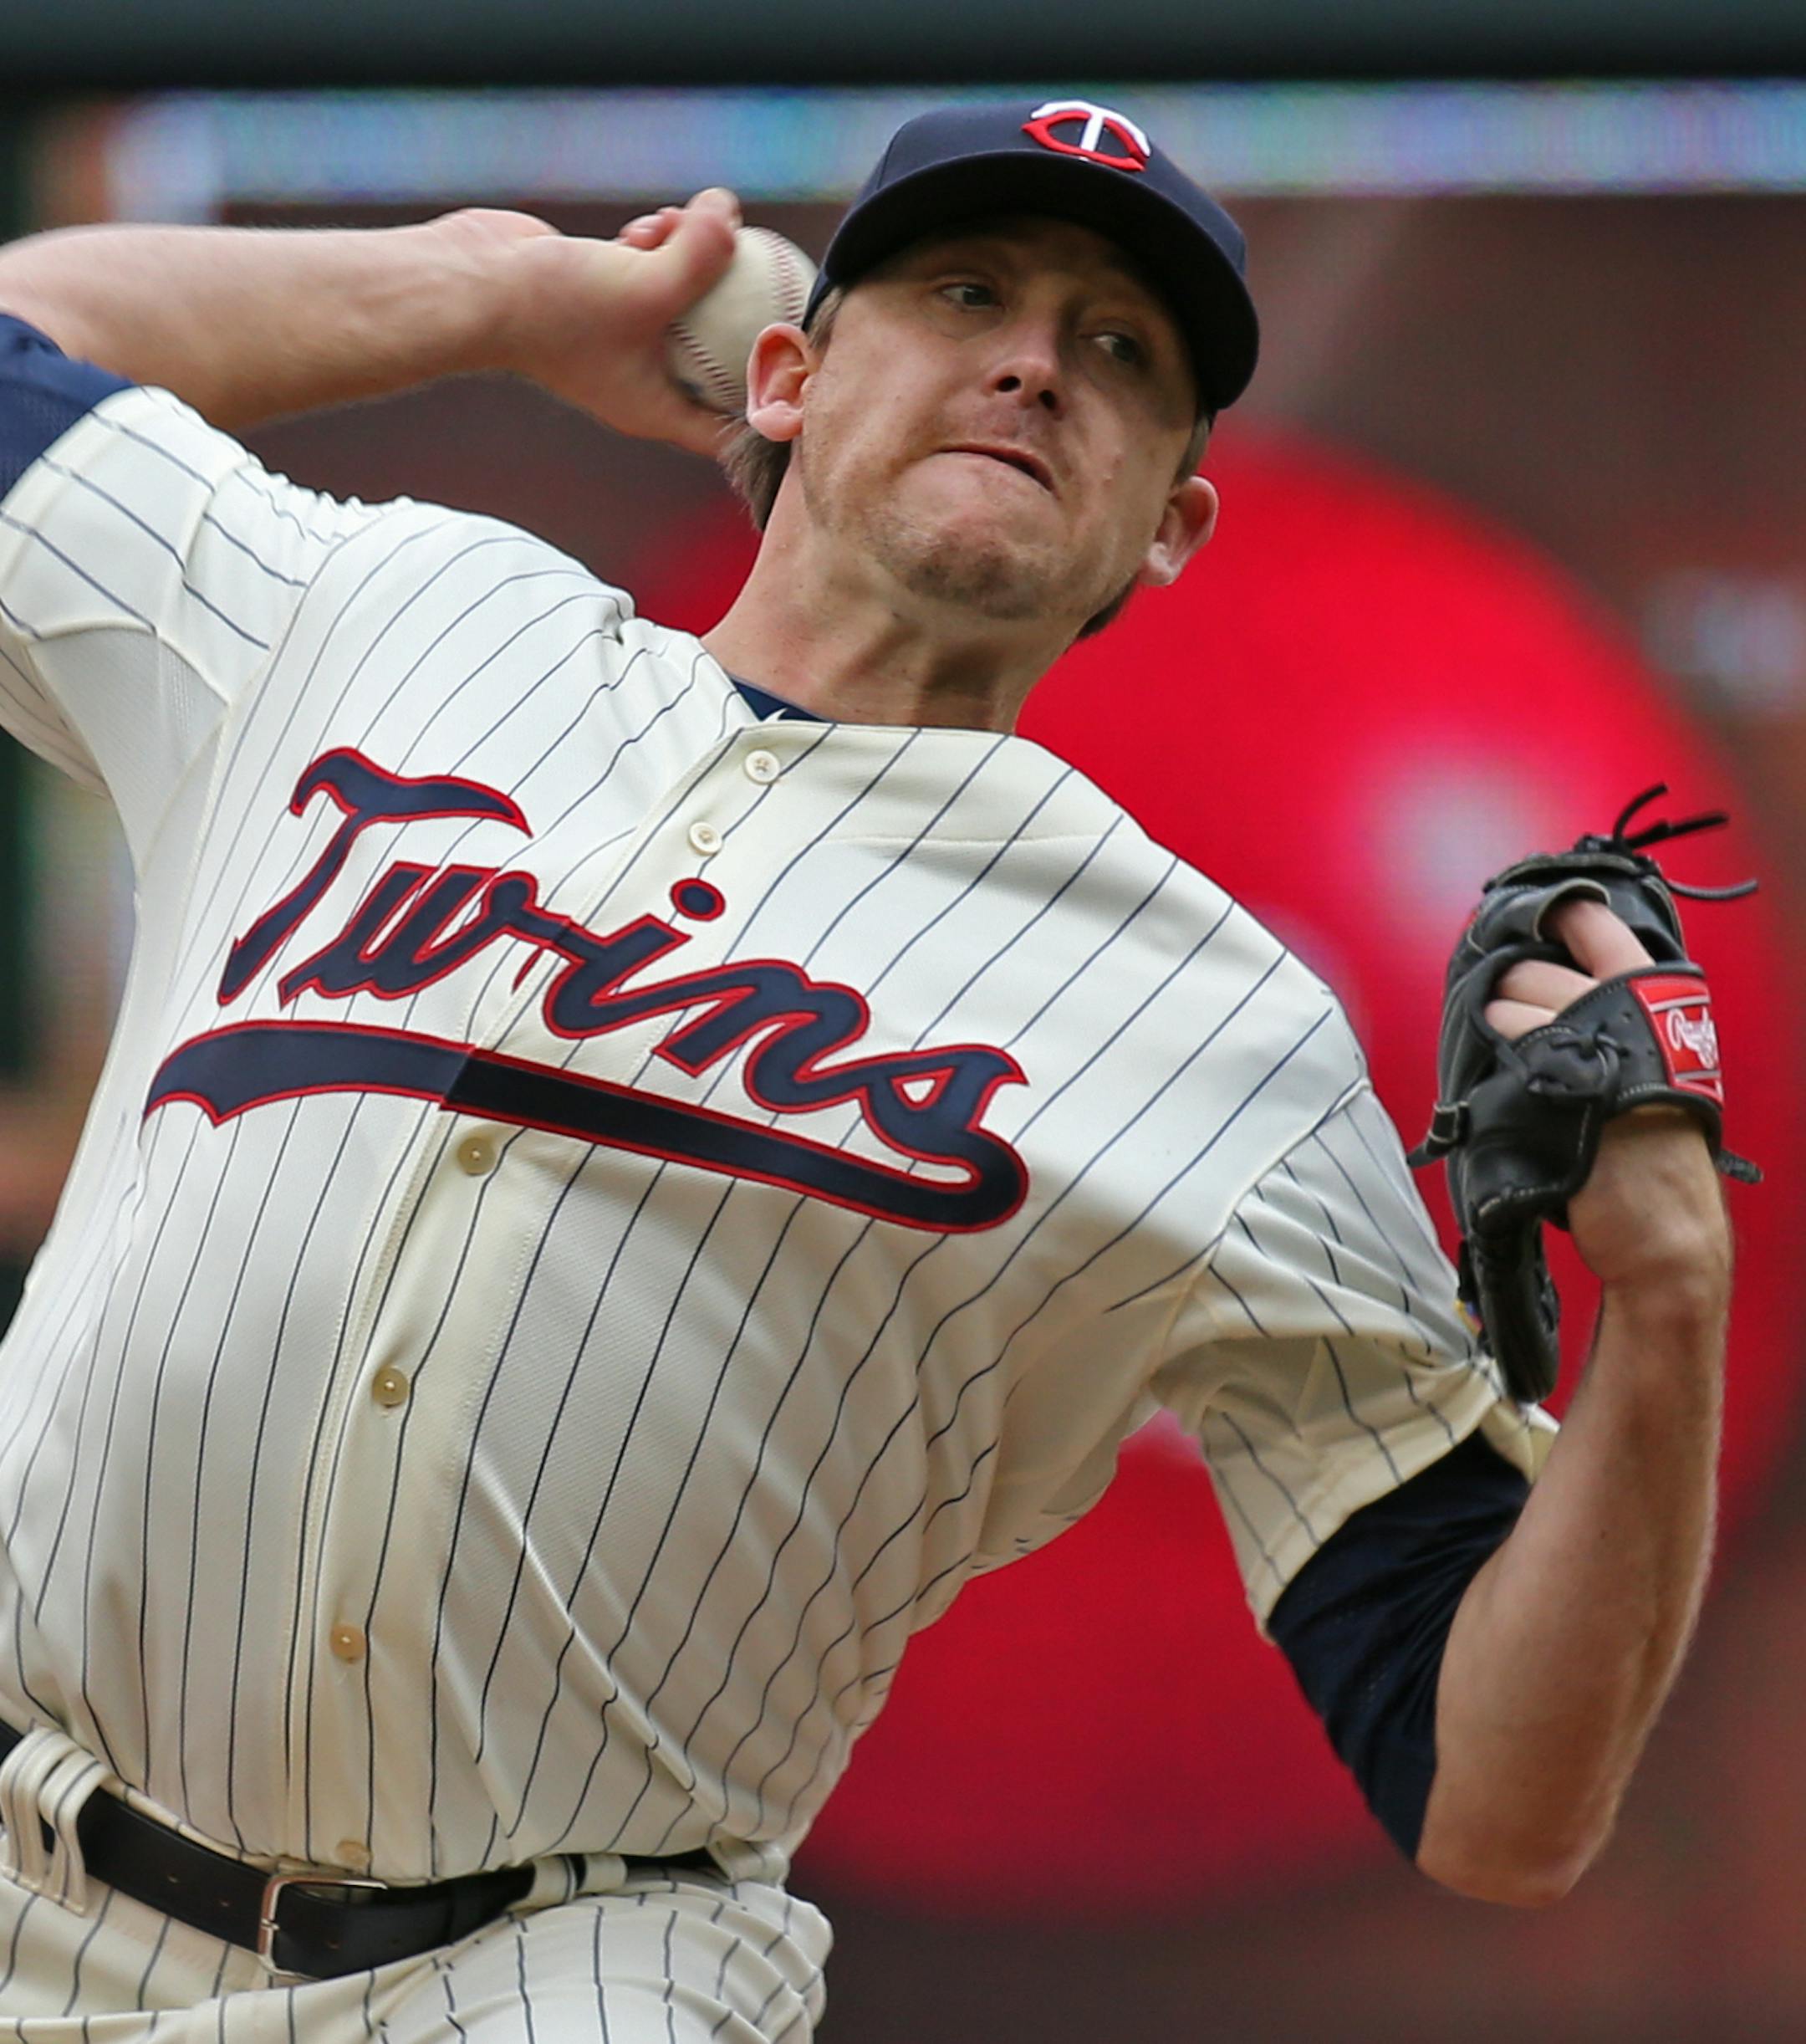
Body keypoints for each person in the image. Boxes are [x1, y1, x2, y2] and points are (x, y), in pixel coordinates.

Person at [0, 99, 1731, 2041]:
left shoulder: (1221, 1036)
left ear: (1170, 525)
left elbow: (1497, 1801)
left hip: (556, 1972)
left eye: (1119, 351)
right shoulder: (382, 614)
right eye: (968, 291)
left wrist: (1667, 1308)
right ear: (790, 376)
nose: (1031, 361)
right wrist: (495, 286)